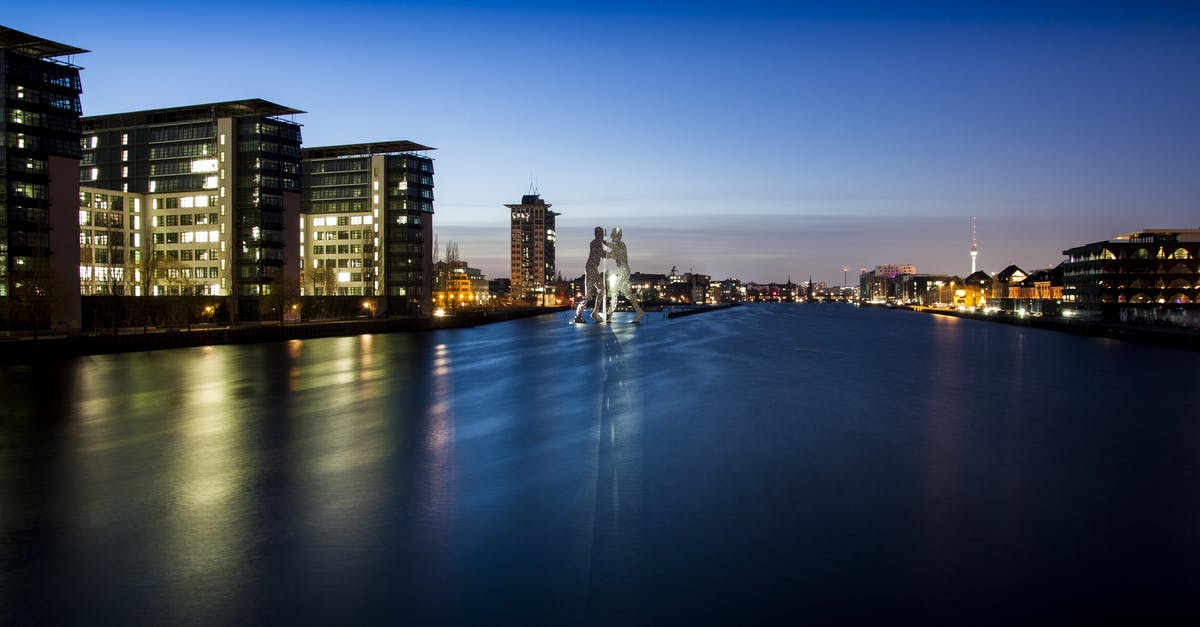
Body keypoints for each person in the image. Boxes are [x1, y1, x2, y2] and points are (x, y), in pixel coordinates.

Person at [605, 227, 645, 323]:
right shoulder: (615, 248)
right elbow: (608, 255)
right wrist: (600, 251)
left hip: (624, 271)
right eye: (613, 236)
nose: (614, 238)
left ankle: (609, 314)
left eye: (615, 236)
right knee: (628, 294)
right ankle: (639, 311)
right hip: (621, 271)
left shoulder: (621, 245)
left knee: (614, 291)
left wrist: (604, 242)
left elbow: (614, 248)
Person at [575, 226, 607, 323]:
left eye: (602, 234)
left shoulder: (597, 242)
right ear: (597, 234)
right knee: (594, 293)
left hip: (592, 269)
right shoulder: (596, 242)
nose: (601, 236)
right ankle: (589, 313)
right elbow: (601, 254)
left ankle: (592, 312)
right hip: (591, 269)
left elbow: (601, 253)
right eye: (600, 234)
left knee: (599, 291)